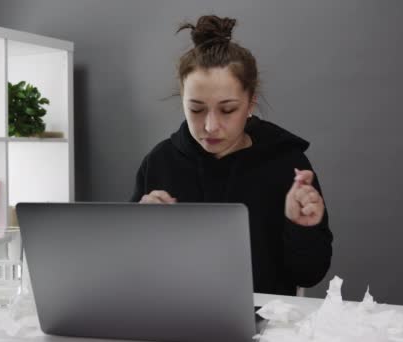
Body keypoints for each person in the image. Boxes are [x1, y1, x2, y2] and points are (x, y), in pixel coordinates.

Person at [130, 15, 333, 295]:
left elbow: (310, 275)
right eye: (196, 109)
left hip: (265, 323)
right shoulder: (159, 162)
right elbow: (136, 273)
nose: (210, 126)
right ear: (182, 100)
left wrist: (301, 228)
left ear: (250, 104)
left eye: (227, 110)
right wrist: (141, 231)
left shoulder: (287, 163)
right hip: (176, 314)